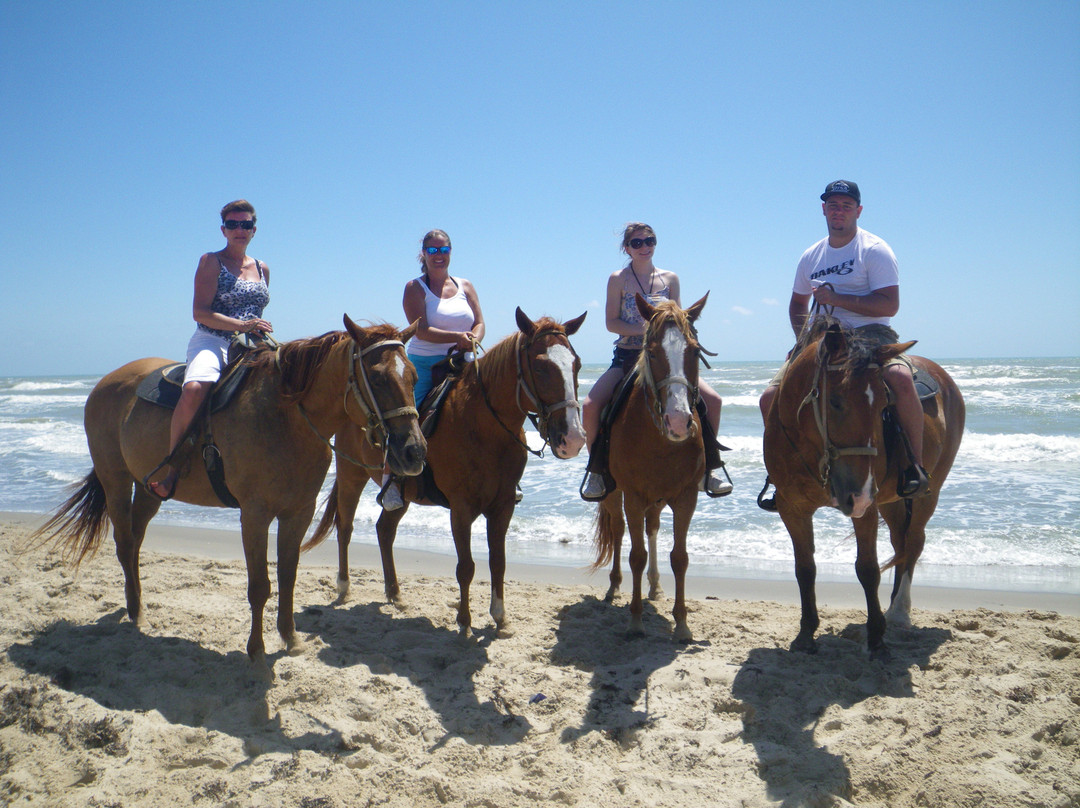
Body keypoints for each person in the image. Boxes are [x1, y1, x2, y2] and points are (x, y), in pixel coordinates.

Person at [757, 180, 928, 511]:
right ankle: (781, 475)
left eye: (846, 206)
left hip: (871, 335)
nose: (839, 211)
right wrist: (802, 340)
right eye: (833, 205)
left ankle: (914, 467)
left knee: (902, 381)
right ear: (823, 209)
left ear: (858, 211)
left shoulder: (874, 249)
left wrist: (837, 299)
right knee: (768, 399)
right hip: (822, 339)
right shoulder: (811, 255)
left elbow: (889, 305)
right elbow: (797, 305)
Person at [580, 223, 732, 500]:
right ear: (626, 248)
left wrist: (669, 333)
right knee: (590, 406)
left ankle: (712, 465)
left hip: (666, 358)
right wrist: (649, 330)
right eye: (636, 243)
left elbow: (679, 319)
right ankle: (596, 470)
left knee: (714, 400)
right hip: (628, 357)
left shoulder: (670, 278)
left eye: (649, 241)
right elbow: (611, 323)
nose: (644, 246)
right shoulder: (618, 279)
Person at [145, 200, 272, 500]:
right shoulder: (211, 262)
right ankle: (172, 469)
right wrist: (240, 326)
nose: (239, 230)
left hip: (254, 344)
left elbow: (257, 309)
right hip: (213, 339)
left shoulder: (263, 268)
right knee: (194, 388)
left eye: (245, 224)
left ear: (254, 229)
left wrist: (254, 328)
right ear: (223, 230)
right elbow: (200, 312)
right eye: (233, 224)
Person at [379, 229, 485, 511]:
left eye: (444, 249)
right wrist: (456, 337)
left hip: (464, 362)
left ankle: (501, 475)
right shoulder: (415, 287)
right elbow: (421, 330)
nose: (439, 256)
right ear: (423, 255)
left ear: (451, 251)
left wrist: (473, 337)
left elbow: (480, 323)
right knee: (406, 417)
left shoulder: (465, 285)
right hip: (426, 365)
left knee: (492, 407)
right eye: (433, 251)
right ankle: (391, 480)